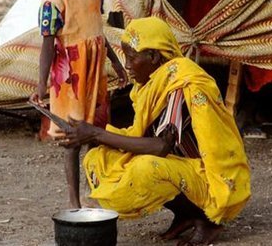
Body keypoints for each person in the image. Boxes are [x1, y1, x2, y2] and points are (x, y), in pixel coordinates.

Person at [56, 17, 251, 245]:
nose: (127, 65)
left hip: (210, 176)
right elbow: (143, 136)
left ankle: (207, 221)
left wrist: (96, 134)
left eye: (131, 57)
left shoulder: (180, 84)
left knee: (146, 167)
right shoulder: (154, 83)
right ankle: (187, 214)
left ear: (154, 57)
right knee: (98, 159)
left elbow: (160, 147)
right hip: (181, 166)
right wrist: (91, 136)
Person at [29, 0, 127, 209]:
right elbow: (48, 45)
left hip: (95, 74)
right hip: (69, 77)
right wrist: (41, 85)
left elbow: (98, 32)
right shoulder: (53, 0)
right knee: (72, 139)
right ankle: (74, 201)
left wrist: (116, 64)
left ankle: (98, 193)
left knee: (96, 131)